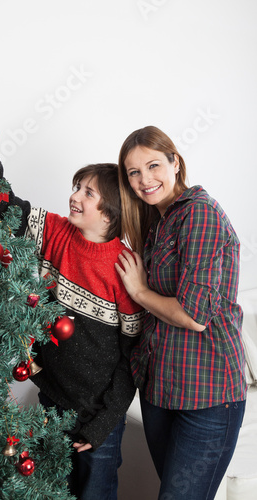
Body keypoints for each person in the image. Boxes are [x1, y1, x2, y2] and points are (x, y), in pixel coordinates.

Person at [0, 118, 144, 500]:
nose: (75, 197)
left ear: (111, 212)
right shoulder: (57, 231)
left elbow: (133, 359)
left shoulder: (125, 270)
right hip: (51, 396)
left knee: (93, 491)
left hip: (96, 415)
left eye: (88, 193)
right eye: (76, 187)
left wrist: (100, 426)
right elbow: (7, 208)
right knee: (50, 489)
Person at [114, 125, 247, 500]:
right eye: (134, 172)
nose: (144, 179)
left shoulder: (200, 215)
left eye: (153, 165)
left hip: (208, 395)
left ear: (175, 163)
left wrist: (138, 291)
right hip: (161, 389)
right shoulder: (158, 221)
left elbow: (193, 315)